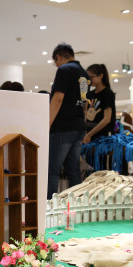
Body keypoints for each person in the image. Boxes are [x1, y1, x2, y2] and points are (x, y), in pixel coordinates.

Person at [47, 43, 90, 200]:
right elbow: (85, 103)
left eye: (55, 61)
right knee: (73, 170)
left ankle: (48, 207)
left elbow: (58, 99)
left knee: (53, 169)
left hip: (63, 127)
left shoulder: (64, 70)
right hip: (78, 127)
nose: (56, 65)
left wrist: (47, 124)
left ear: (58, 57)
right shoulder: (84, 74)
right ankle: (76, 206)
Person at [84, 64, 116, 143]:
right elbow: (85, 113)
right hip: (89, 136)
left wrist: (89, 134)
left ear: (101, 76)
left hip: (102, 138)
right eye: (88, 77)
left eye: (92, 77)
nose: (90, 80)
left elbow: (107, 119)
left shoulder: (107, 93)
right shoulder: (89, 94)